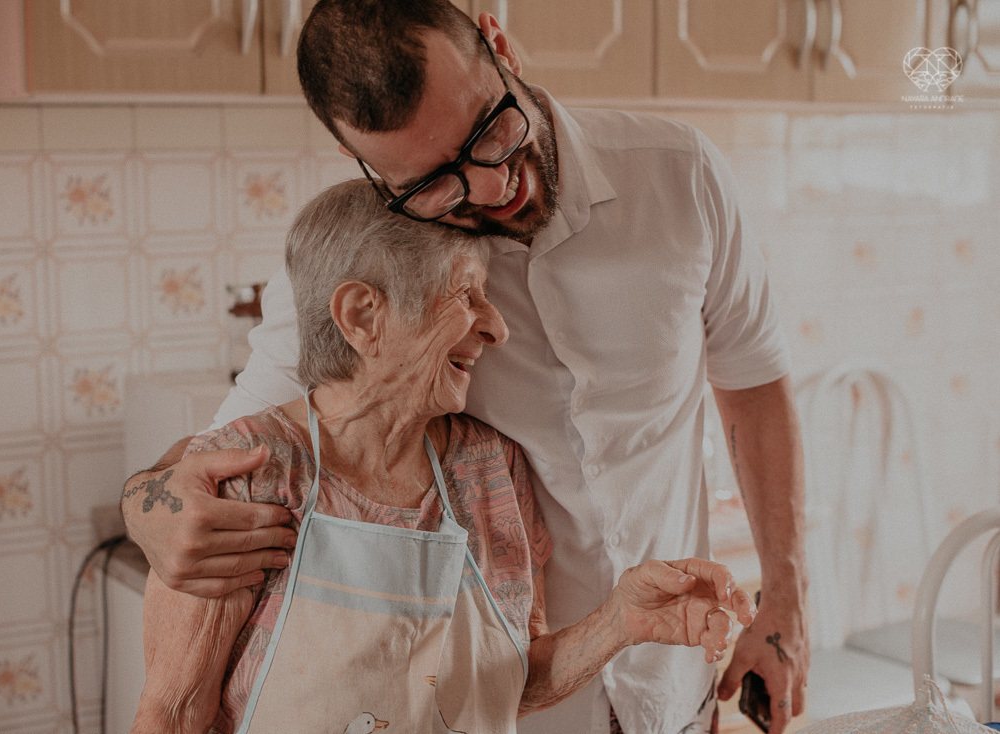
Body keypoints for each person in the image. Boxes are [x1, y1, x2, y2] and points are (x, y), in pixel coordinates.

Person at [120, 2, 809, 732]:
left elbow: (756, 388)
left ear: (501, 47)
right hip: (516, 704)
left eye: (489, 131)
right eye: (433, 183)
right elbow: (231, 448)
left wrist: (787, 605)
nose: (489, 188)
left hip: (676, 679)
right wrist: (147, 508)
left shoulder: (682, 177)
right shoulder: (370, 264)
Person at [129, 180, 756, 734]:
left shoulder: (491, 472)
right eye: (466, 293)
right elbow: (172, 715)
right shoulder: (248, 475)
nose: (496, 329)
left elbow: (508, 680)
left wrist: (621, 620)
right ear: (362, 315)